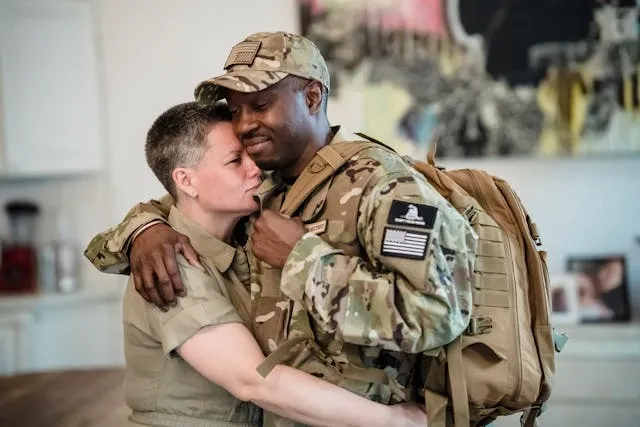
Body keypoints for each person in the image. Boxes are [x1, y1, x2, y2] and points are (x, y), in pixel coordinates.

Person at [85, 31, 477, 425]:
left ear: (311, 97)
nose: (244, 124)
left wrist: (303, 260)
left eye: (259, 104)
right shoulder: (264, 186)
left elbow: (438, 313)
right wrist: (144, 230)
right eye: (235, 110)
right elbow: (181, 204)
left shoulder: (385, 186)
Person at [119, 100, 426, 426]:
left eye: (250, 155)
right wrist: (394, 421)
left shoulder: (247, 241)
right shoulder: (168, 266)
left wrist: (143, 225)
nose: (255, 169)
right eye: (235, 160)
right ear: (186, 181)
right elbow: (253, 380)